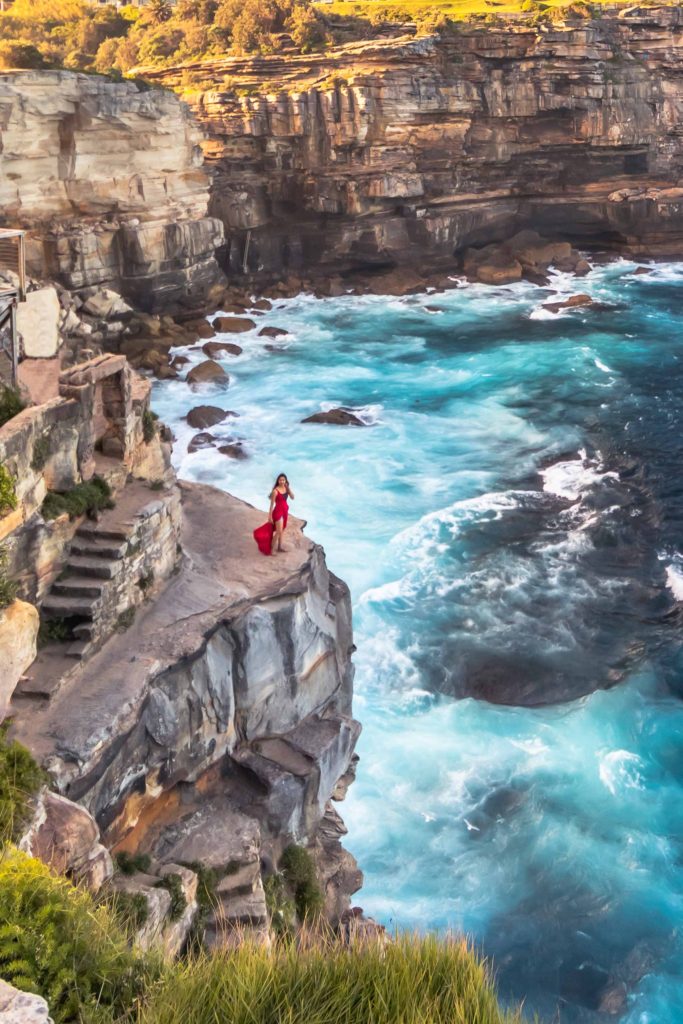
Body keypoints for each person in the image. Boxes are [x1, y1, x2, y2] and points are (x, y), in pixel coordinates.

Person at [268, 473, 294, 553]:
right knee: (279, 531)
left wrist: (288, 488)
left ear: (285, 481)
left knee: (281, 530)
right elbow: (271, 505)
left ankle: (279, 547)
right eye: (280, 480)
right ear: (278, 481)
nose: (282, 481)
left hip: (285, 511)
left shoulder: (286, 489)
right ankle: (271, 549)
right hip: (278, 512)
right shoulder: (275, 491)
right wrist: (270, 517)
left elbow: (293, 497)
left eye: (283, 480)